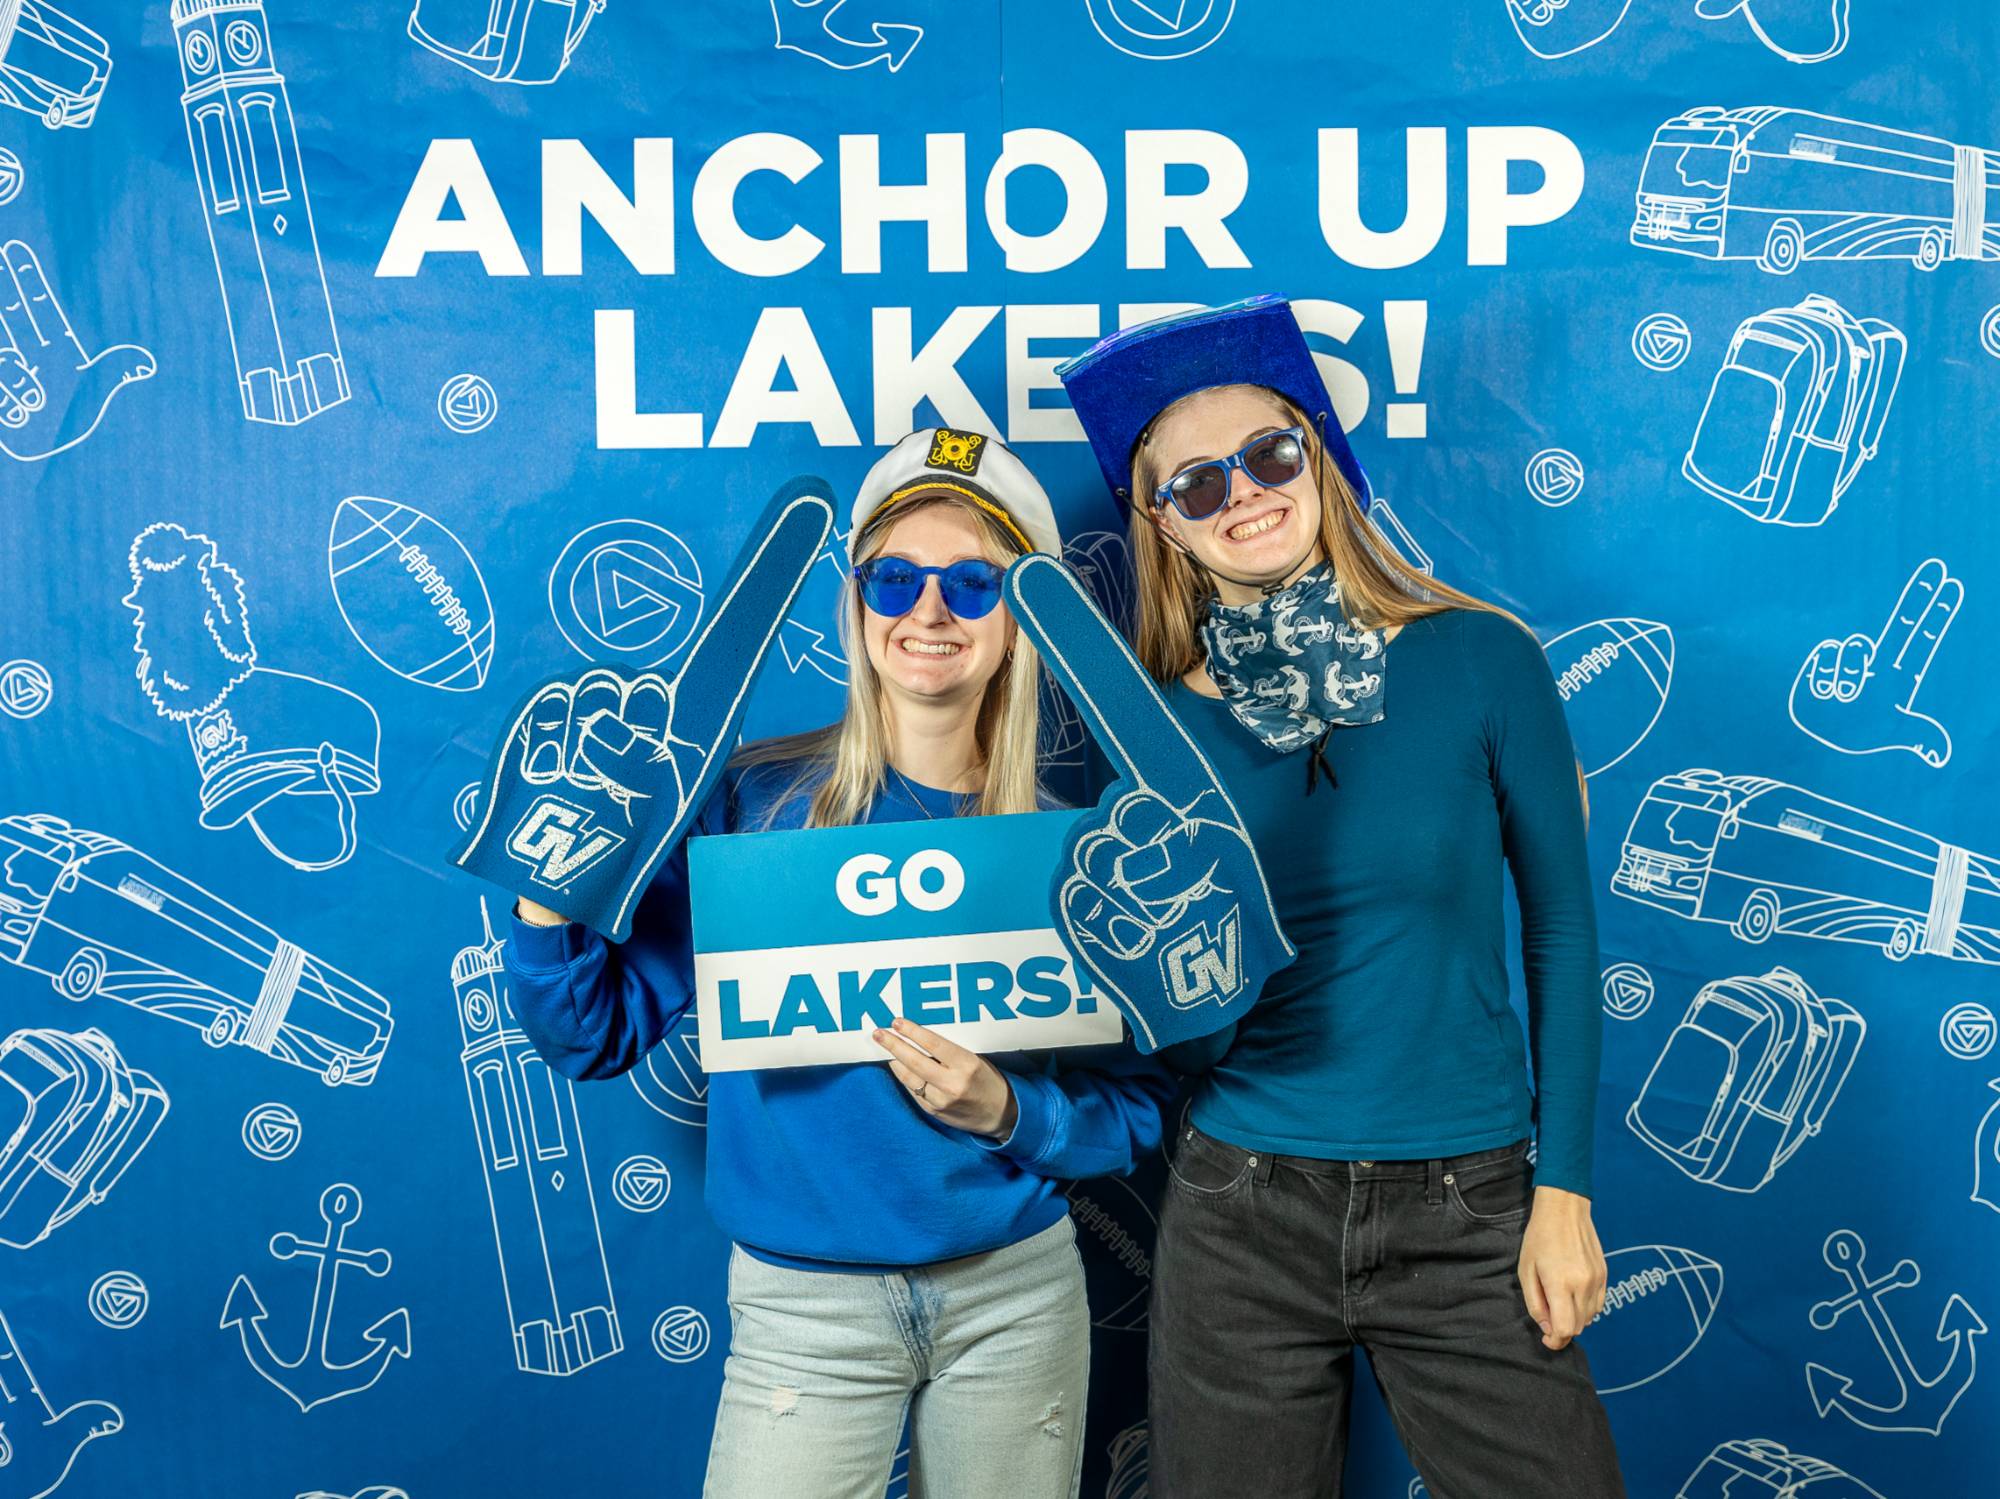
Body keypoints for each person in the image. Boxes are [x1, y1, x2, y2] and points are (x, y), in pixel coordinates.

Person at [495, 428, 1174, 1499]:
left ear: (1020, 623)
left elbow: (1136, 1109)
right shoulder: (753, 808)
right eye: (893, 578)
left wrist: (1008, 1108)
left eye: (971, 582)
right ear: (857, 609)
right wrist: (548, 886)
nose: (928, 611)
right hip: (801, 1307)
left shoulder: (1074, 852)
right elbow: (590, 1029)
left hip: (1013, 1294)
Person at [1056, 297, 1626, 1497]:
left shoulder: (1480, 658)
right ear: (1161, 527)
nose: (1245, 495)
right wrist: (1181, 980)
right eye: (1196, 485)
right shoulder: (1155, 730)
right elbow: (1197, 1039)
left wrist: (1562, 1189)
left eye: (1269, 456)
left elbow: (1562, 931)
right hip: (1240, 1209)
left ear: (1317, 457)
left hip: (1471, 1199)